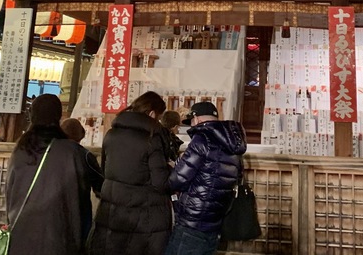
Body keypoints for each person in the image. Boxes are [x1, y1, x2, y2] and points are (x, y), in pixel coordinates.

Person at [5, 94, 93, 255]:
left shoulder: (21, 148)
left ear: (32, 115)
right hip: (59, 236)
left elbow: (10, 191)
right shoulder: (71, 151)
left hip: (22, 234)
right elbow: (79, 197)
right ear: (58, 116)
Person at [88, 91, 172, 255]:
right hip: (142, 215)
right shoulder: (151, 139)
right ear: (152, 113)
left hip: (112, 211)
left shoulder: (111, 134)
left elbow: (105, 170)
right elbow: (160, 182)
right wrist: (170, 169)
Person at [164, 101, 247, 255]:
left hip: (193, 221)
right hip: (215, 222)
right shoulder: (234, 146)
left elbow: (178, 179)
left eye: (192, 122)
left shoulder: (202, 139)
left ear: (197, 119)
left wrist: (169, 174)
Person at [61, 117, 105, 240]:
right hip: (79, 210)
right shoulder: (85, 155)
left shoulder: (48, 153)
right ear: (80, 135)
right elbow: (100, 186)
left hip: (50, 212)